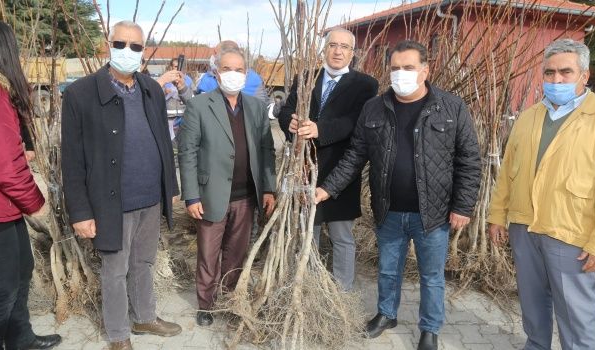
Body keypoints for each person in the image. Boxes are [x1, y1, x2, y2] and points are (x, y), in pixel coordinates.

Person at [315, 40, 481, 349]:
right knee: (388, 268)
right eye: (395, 68)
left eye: (408, 68)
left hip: (433, 213)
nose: (400, 74)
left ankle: (429, 329)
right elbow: (355, 155)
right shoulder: (375, 107)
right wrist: (327, 188)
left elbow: (469, 160)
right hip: (389, 209)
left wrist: (463, 206)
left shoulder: (450, 107)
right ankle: (386, 314)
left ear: (425, 70)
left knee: (431, 276)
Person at [487, 38, 595, 350]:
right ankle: (536, 344)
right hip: (524, 226)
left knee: (577, 312)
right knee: (532, 302)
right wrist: (497, 215)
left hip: (571, 231)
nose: (556, 79)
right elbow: (508, 170)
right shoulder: (530, 115)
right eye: (549, 73)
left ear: (584, 75)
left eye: (565, 72)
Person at [61, 21, 181, 350]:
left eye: (136, 46)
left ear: (144, 52)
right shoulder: (80, 94)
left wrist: (168, 187)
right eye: (121, 43)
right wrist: (80, 212)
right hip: (111, 202)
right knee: (115, 269)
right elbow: (71, 161)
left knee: (143, 262)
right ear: (107, 44)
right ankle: (118, 335)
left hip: (150, 198)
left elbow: (162, 140)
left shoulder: (151, 89)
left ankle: (144, 317)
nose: (128, 51)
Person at [177, 47, 276, 327]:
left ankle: (230, 299)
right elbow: (187, 152)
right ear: (216, 72)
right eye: (227, 69)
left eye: (239, 69)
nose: (233, 74)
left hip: (246, 196)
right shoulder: (200, 105)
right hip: (211, 195)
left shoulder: (256, 108)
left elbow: (268, 149)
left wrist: (269, 188)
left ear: (247, 73)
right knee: (208, 253)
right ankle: (205, 305)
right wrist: (192, 195)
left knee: (236, 252)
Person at [0, 16, 62, 350]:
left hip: (1, 205)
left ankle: (20, 338)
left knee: (22, 270)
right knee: (2, 289)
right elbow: (5, 167)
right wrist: (38, 205)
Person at [279, 28, 378, 292]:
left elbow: (356, 121)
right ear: (324, 48)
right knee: (308, 229)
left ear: (352, 53)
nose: (337, 51)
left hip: (340, 169)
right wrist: (288, 121)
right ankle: (309, 284)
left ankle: (341, 291)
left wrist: (320, 129)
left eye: (344, 47)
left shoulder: (365, 85)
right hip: (304, 166)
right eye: (333, 45)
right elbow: (287, 108)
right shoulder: (307, 77)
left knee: (341, 234)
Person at [196, 40, 269, 103]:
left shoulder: (208, 79)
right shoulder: (255, 78)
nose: (213, 57)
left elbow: (262, 107)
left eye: (215, 53)